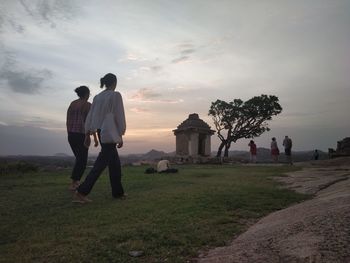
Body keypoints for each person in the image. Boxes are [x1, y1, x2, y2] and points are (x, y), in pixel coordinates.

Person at [74, 73, 126, 203]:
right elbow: (119, 115)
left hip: (100, 130)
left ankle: (118, 192)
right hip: (110, 131)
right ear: (114, 82)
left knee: (114, 164)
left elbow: (91, 116)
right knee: (101, 163)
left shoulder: (97, 97)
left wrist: (88, 132)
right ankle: (81, 191)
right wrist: (120, 134)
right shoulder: (115, 95)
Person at [66, 86, 98, 191]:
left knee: (79, 159)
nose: (89, 96)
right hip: (81, 135)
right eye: (89, 94)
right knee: (82, 160)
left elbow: (67, 120)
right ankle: (74, 182)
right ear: (86, 94)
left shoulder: (72, 103)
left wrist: (69, 133)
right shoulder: (88, 105)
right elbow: (90, 123)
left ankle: (75, 182)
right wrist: (93, 136)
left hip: (71, 134)